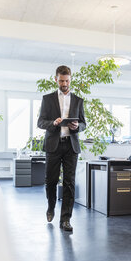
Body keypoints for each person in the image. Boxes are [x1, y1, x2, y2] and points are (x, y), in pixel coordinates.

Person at [37, 65, 86, 231]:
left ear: (70, 79)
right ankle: (51, 207)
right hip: (53, 145)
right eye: (61, 80)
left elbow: (83, 123)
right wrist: (53, 123)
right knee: (50, 181)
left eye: (67, 80)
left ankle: (65, 220)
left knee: (69, 183)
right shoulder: (47, 99)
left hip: (71, 146)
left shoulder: (78, 100)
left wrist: (77, 127)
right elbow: (40, 122)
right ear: (56, 79)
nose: (64, 83)